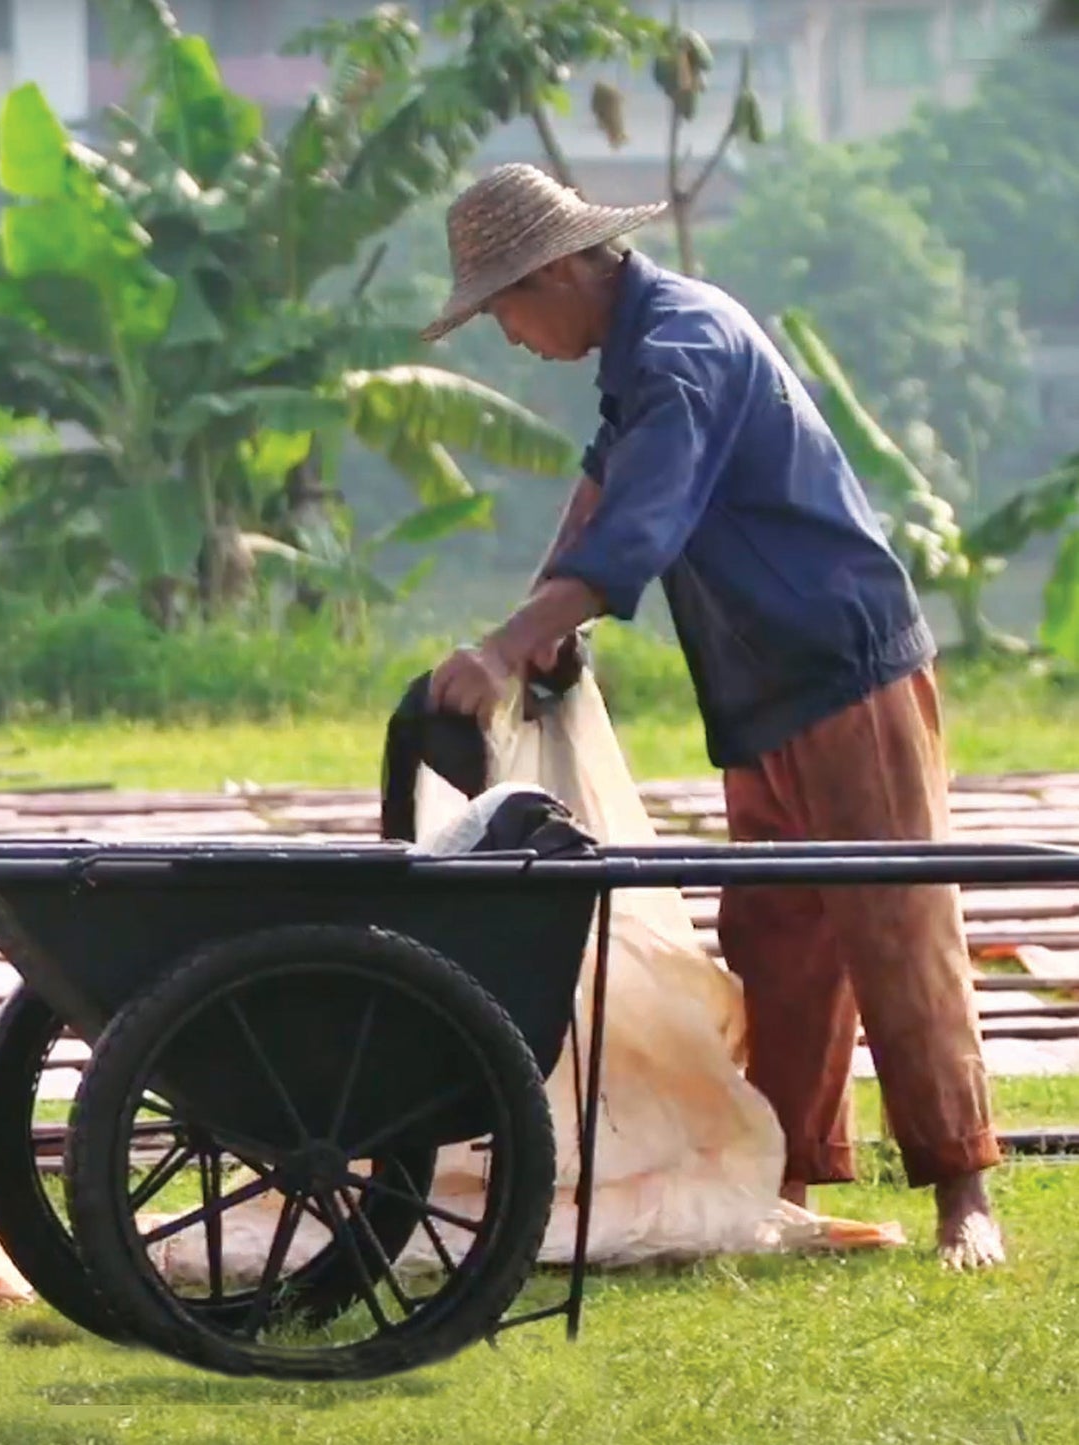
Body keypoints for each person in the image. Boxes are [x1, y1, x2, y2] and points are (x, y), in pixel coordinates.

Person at [422, 162, 1004, 1270]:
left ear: (554, 273)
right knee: (776, 941)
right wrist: (536, 626)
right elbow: (599, 491)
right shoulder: (638, 353)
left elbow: (636, 524)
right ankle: (778, 1178)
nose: (504, 333)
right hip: (759, 689)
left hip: (844, 668)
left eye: (501, 305)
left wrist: (506, 647)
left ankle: (960, 1191)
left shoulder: (683, 345)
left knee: (893, 928)